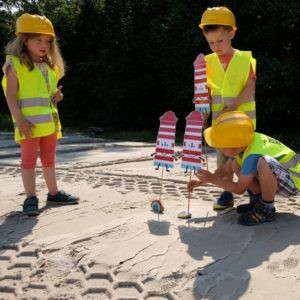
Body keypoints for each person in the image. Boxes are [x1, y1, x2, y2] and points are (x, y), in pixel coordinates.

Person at [1, 13, 79, 216]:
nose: (44, 44)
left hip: (50, 124)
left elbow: (46, 94)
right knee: (28, 162)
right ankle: (30, 198)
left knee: (49, 160)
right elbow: (10, 95)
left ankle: (53, 193)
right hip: (28, 124)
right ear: (25, 40)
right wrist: (19, 120)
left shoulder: (50, 66)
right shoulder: (14, 64)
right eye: (39, 40)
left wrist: (57, 96)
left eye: (48, 41)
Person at [188, 111, 300, 226]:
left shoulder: (253, 153)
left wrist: (213, 180)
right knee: (235, 164)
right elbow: (225, 170)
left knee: (264, 163)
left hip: (293, 183)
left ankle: (267, 209)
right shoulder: (244, 141)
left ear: (239, 145)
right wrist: (201, 182)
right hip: (281, 178)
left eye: (224, 146)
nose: (221, 150)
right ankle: (258, 202)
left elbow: (239, 189)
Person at [198, 6, 257, 211]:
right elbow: (204, 91)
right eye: (211, 42)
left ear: (231, 33)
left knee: (245, 158)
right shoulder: (207, 62)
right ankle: (226, 193)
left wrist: (235, 104)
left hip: (243, 122)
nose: (215, 46)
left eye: (219, 41)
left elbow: (250, 87)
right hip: (220, 122)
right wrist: (203, 111)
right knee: (223, 158)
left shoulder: (243, 59)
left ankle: (253, 192)